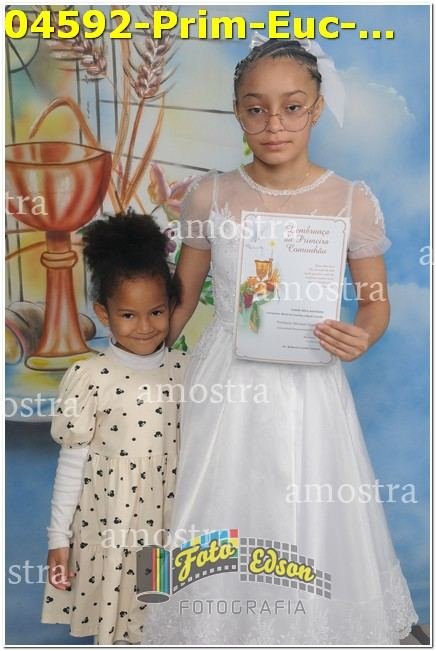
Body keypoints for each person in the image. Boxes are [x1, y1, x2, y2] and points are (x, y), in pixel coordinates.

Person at [140, 39, 419, 645]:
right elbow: (179, 302)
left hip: (309, 379)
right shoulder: (210, 195)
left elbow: (375, 303)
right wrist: (130, 359)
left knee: (305, 501)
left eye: (292, 107)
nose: (274, 124)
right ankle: (209, 627)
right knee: (213, 497)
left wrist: (363, 335)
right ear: (237, 112)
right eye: (256, 108)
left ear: (315, 109)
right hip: (223, 379)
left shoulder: (351, 200)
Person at [40, 213, 188, 644]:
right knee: (119, 620)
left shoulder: (188, 371)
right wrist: (58, 538)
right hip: (111, 526)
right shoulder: (89, 377)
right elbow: (72, 465)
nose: (144, 326)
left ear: (172, 306)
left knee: (161, 617)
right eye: (128, 314)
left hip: (170, 522)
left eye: (156, 311)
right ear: (104, 314)